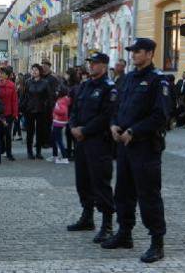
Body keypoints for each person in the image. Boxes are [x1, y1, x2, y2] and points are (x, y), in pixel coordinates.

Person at [103, 38, 169, 263]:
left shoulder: (158, 81)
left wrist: (133, 131)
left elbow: (161, 116)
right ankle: (124, 234)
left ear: (150, 53)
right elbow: (117, 107)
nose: (133, 55)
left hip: (145, 147)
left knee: (148, 195)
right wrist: (114, 124)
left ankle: (157, 243)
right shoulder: (129, 79)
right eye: (132, 52)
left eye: (138, 51)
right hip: (124, 146)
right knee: (123, 192)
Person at [67, 52, 116, 244]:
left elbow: (106, 116)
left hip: (99, 142)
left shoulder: (108, 88)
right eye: (90, 63)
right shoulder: (85, 86)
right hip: (81, 142)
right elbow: (74, 111)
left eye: (94, 63)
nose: (91, 66)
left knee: (100, 183)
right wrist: (73, 127)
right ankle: (87, 217)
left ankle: (107, 224)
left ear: (103, 66)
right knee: (83, 181)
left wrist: (85, 130)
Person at [23, 64, 53, 160]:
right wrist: (23, 107)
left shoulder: (45, 82)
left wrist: (47, 106)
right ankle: (29, 152)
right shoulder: (28, 82)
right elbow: (24, 96)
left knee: (40, 132)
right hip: (29, 110)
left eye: (36, 70)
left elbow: (49, 97)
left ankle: (38, 152)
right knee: (30, 132)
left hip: (41, 110)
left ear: (40, 71)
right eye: (33, 70)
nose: (34, 72)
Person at [0, 67, 18, 161]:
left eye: (2, 73)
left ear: (7, 75)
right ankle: (2, 150)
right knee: (0, 133)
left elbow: (14, 100)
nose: (0, 75)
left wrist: (15, 113)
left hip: (9, 113)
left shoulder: (12, 85)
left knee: (8, 134)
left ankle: (9, 153)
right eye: (0, 73)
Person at [49, 84, 70, 164]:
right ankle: (55, 155)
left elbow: (63, 111)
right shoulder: (62, 99)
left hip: (59, 122)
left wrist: (55, 110)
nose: (56, 92)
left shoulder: (62, 100)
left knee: (59, 140)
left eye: (57, 91)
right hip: (57, 121)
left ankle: (64, 157)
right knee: (54, 138)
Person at [41, 58, 59, 148]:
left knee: (48, 124)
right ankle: (41, 141)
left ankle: (48, 142)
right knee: (41, 124)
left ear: (49, 66)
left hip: (49, 105)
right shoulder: (40, 77)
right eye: (42, 65)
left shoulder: (52, 79)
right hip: (40, 104)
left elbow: (56, 92)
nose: (43, 67)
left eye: (45, 65)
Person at [12, 73, 25, 141]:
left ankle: (14, 135)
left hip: (19, 108)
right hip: (17, 107)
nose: (15, 79)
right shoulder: (17, 86)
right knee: (16, 121)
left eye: (17, 78)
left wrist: (19, 110)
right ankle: (19, 135)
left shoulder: (21, 88)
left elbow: (20, 100)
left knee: (16, 121)